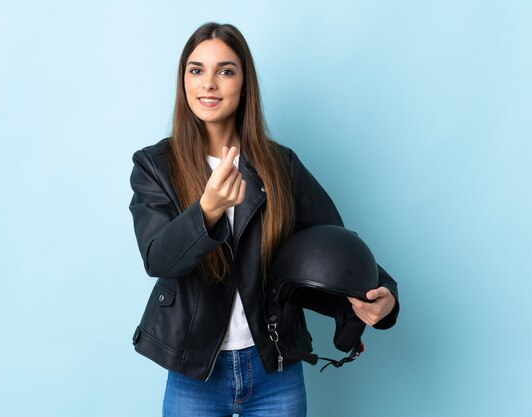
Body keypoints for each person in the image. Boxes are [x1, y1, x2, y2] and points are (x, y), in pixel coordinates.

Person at [129, 22, 399, 417]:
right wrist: (207, 211)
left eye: (225, 70)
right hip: (195, 372)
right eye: (196, 69)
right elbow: (158, 258)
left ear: (244, 83)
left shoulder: (280, 165)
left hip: (274, 367)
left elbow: (332, 241)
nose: (209, 84)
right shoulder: (154, 166)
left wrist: (384, 295)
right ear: (183, 81)